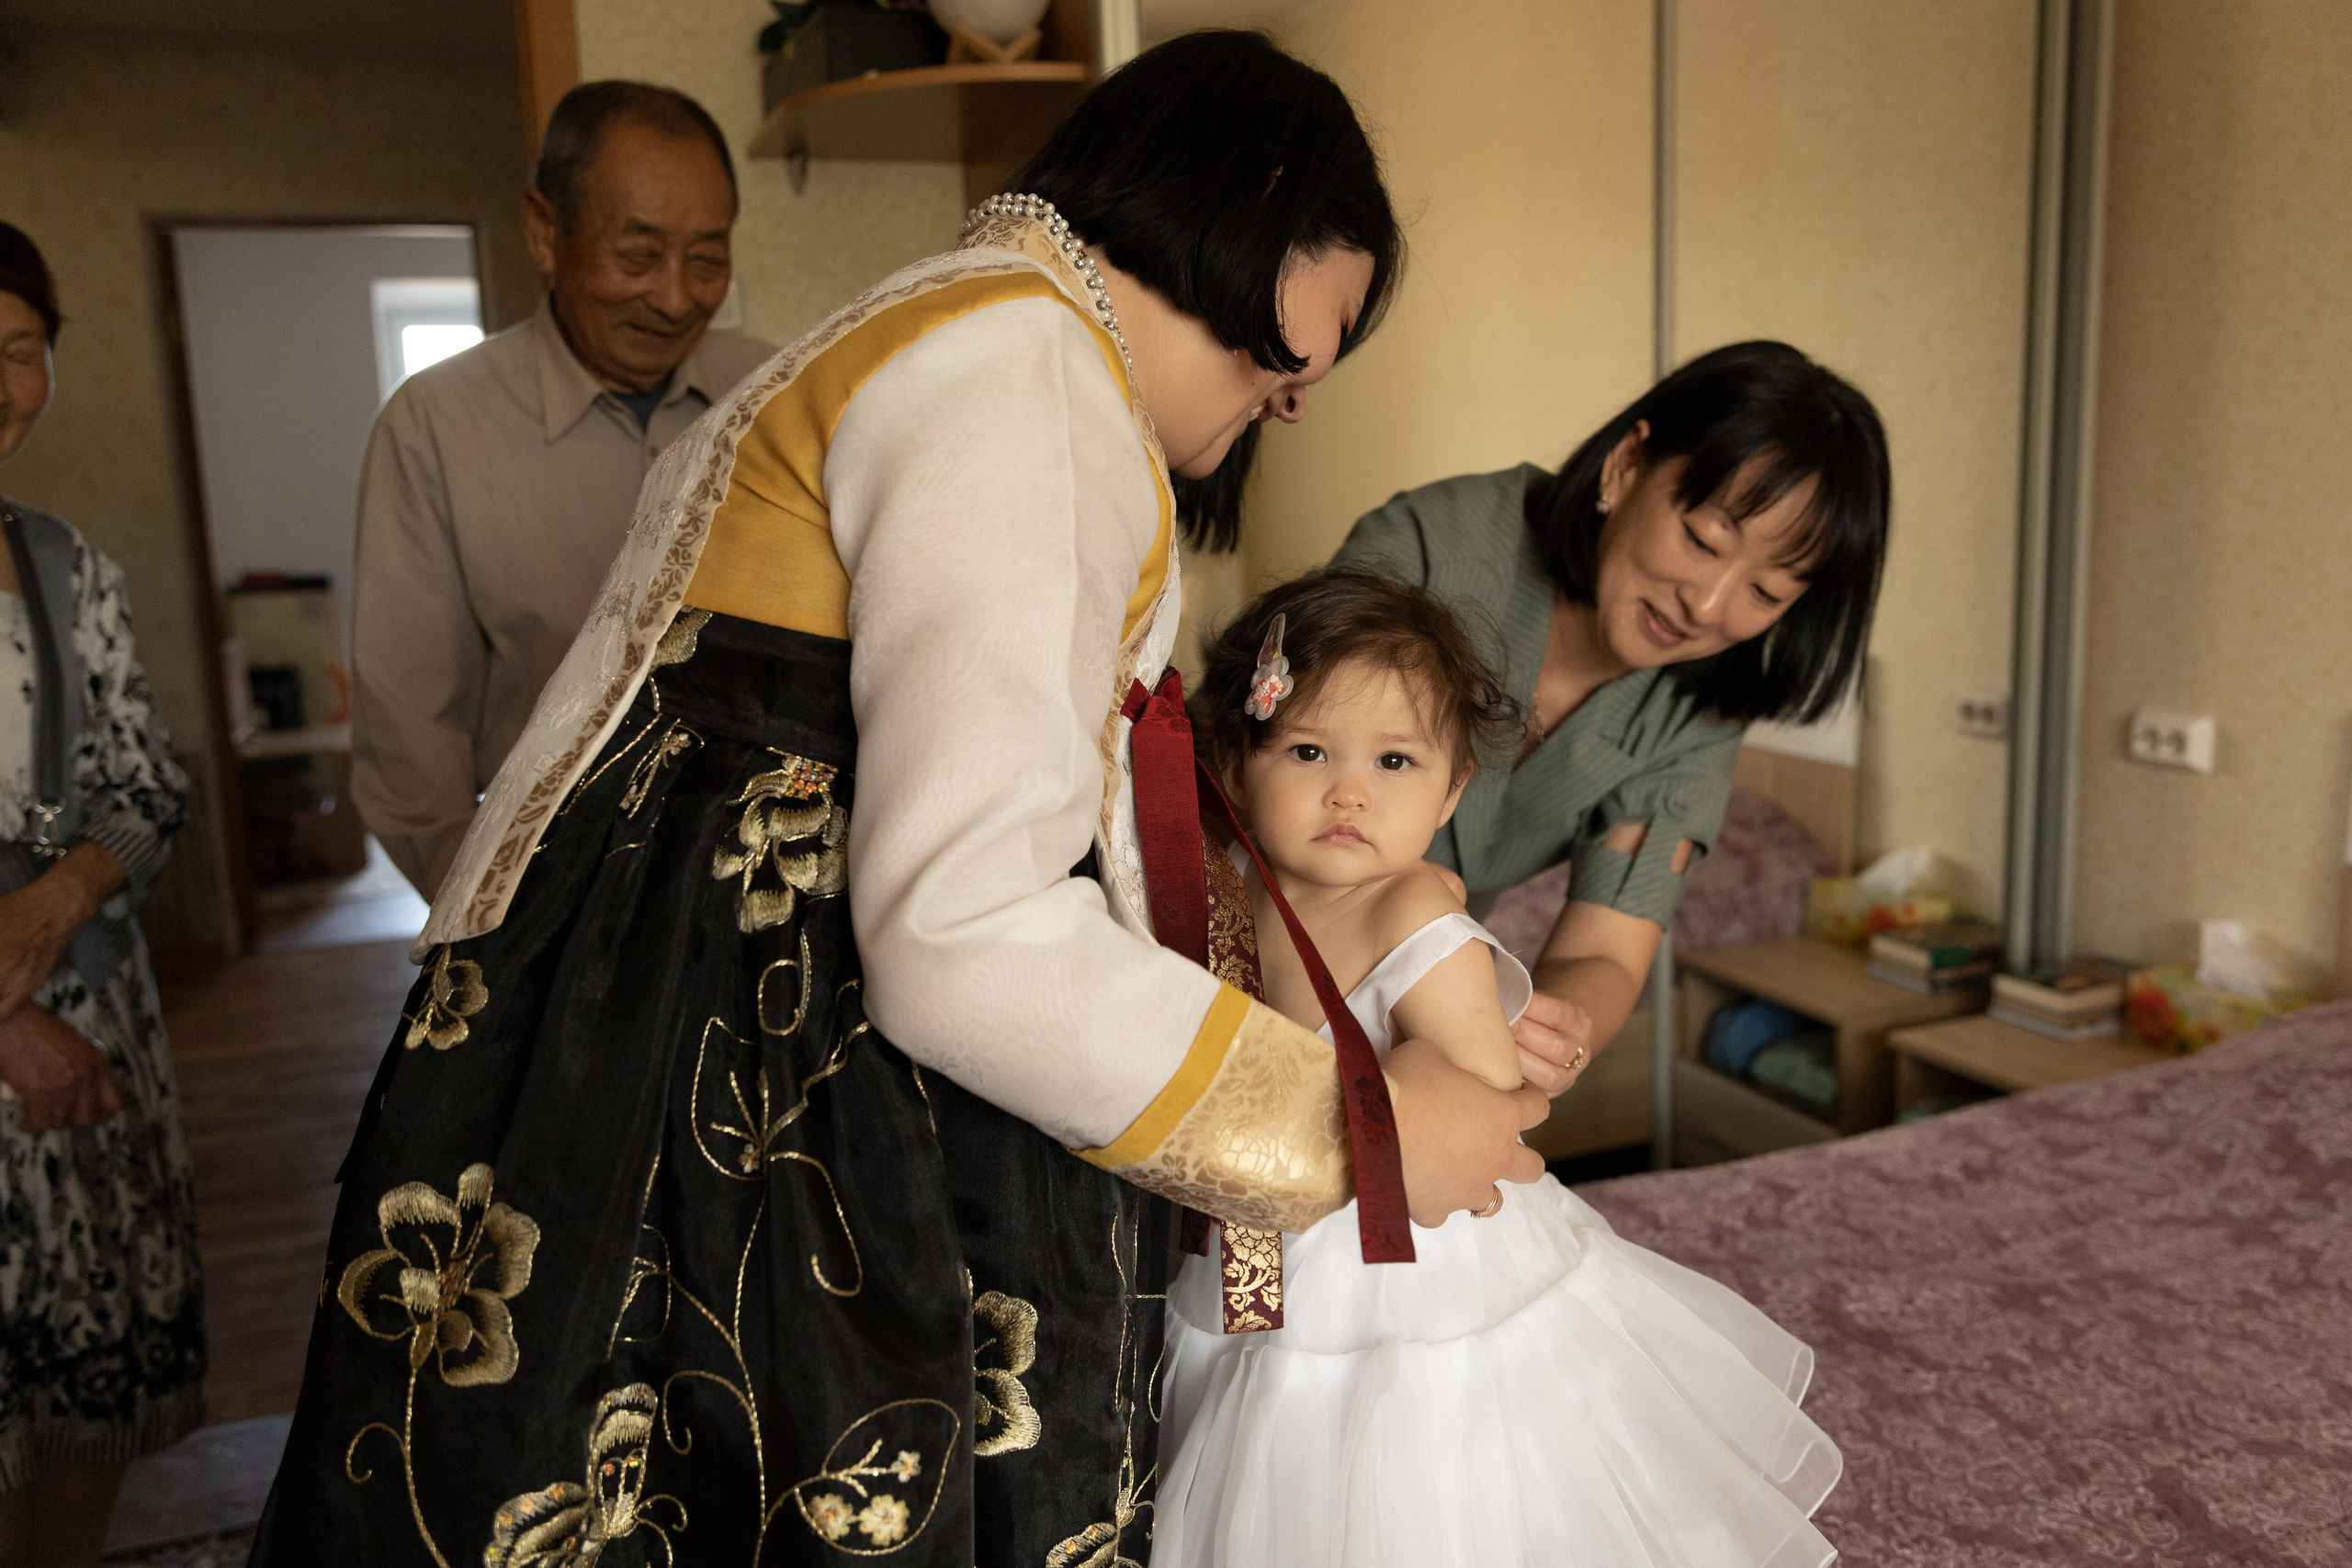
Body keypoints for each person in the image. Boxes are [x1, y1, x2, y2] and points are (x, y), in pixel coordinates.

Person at [254, 33, 1553, 1568]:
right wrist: (1356, 1128)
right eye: (1291, 361)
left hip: (658, 1018)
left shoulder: (955, 328)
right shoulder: (1027, 377)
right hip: (789, 1065)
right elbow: (972, 931)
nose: (1289, 404)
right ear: (1239, 219)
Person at [1155, 566, 1841, 1567]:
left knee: (1426, 1487)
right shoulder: (1234, 899)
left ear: (1451, 788)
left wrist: (1477, 1053)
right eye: (1307, 750)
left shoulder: (1417, 913)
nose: (1348, 791)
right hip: (1267, 1239)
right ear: (1236, 761)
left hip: (1407, 1274)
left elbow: (1487, 1111)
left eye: (1394, 761)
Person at [1336, 341, 1892, 1094]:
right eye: (1702, 539)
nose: (1707, 605)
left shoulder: (1696, 711)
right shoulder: (1438, 553)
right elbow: (1286, 792)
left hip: (1420, 1017)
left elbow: (1605, 950)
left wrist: (1559, 1030)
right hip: (1258, 941)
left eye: (1765, 594)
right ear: (1627, 465)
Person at [351, 79, 775, 898]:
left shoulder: (776, 394)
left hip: (757, 883)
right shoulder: (432, 428)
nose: (677, 296)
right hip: (548, 892)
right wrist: (488, 925)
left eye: (709, 259)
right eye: (639, 256)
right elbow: (409, 734)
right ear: (545, 233)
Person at [0, 223, 203, 1567]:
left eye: (21, 349)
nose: (1, 381)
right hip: (21, 1042)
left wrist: (56, 898)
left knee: (95, 1388)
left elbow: (148, 781)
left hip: (98, 1025)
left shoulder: (62, 564)